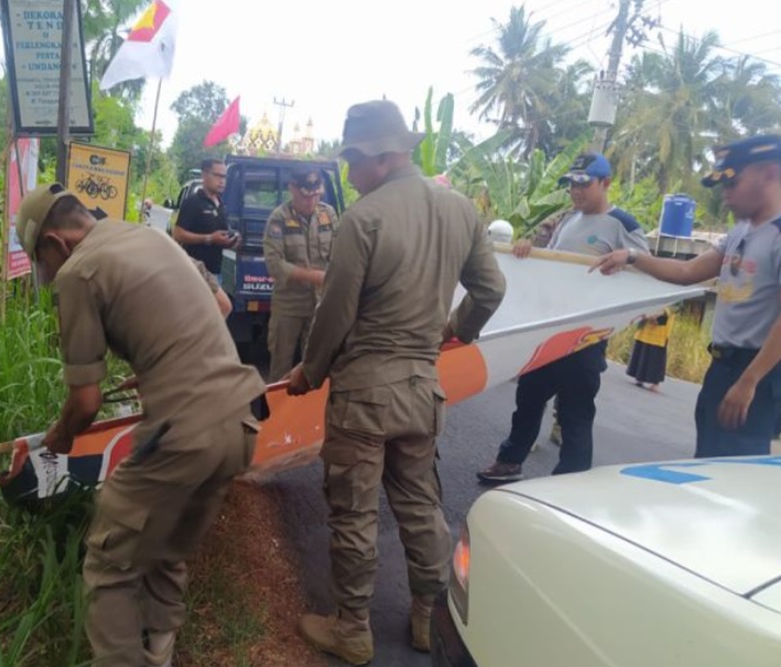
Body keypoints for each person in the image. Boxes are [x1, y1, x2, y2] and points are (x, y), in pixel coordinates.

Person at [285, 100, 507, 663]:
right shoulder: (461, 211)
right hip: (422, 392)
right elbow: (492, 290)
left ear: (376, 157)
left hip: (364, 395)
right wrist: (453, 332)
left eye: (350, 163)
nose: (347, 176)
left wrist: (309, 373)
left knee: (355, 512)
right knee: (420, 505)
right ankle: (428, 618)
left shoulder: (365, 218)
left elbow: (333, 316)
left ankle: (352, 630)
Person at [14, 183, 266, 667]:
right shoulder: (147, 236)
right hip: (241, 421)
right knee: (165, 540)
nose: (49, 274)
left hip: (182, 432)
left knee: (108, 562)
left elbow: (85, 402)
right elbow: (220, 308)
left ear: (54, 244)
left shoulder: (78, 272)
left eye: (42, 263)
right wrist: (154, 364)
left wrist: (60, 436)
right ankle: (159, 649)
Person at [592, 134, 781, 459]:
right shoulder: (740, 232)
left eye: (733, 183)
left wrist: (749, 381)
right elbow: (687, 272)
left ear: (769, 173)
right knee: (707, 462)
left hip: (756, 372)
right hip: (722, 365)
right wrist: (633, 257)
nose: (726, 196)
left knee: (731, 472)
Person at [477, 152, 651, 483]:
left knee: (575, 413)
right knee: (527, 400)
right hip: (549, 329)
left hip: (586, 335)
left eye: (584, 184)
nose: (575, 190)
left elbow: (644, 268)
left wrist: (626, 262)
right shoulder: (568, 220)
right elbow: (551, 263)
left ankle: (570, 482)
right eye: (571, 184)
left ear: (606, 183)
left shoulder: (623, 225)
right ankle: (510, 461)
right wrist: (529, 250)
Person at [263, 165, 340, 382]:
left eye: (315, 195)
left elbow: (339, 254)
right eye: (305, 196)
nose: (311, 201)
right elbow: (275, 265)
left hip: (320, 305)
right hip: (288, 305)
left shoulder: (329, 215)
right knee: (280, 368)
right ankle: (276, 415)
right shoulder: (278, 219)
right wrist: (313, 276)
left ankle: (309, 415)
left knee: (315, 368)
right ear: (292, 189)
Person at [171, 157, 240, 280]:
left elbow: (218, 237)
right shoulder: (193, 202)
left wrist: (230, 241)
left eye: (224, 177)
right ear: (204, 175)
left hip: (215, 272)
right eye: (217, 176)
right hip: (193, 272)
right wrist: (209, 238)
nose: (222, 181)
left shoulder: (221, 205)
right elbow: (178, 234)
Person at [626, 306, 675, 391]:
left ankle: (655, 382)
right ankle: (639, 377)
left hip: (661, 329)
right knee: (642, 352)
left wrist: (659, 314)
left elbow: (673, 308)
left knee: (655, 356)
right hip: (646, 327)